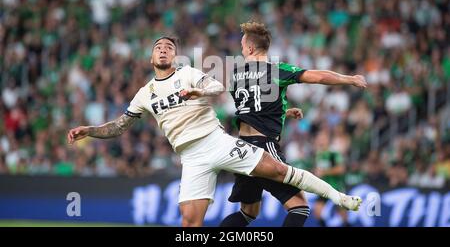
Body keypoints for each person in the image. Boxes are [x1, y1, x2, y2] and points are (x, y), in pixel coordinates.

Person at [67, 36, 362, 227]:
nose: (163, 49)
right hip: (190, 157)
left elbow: (218, 87)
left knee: (278, 170)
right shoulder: (144, 94)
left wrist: (197, 91)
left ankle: (339, 198)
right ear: (151, 58)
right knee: (189, 223)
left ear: (176, 56)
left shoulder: (188, 73)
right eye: (158, 47)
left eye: (169, 47)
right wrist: (90, 130)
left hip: (216, 141)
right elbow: (120, 125)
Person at [220, 22, 368, 227]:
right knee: (300, 207)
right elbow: (317, 77)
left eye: (243, 46)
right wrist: (349, 79)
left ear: (251, 48)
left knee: (248, 213)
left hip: (241, 147)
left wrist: (284, 112)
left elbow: (251, 107)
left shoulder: (236, 75)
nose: (242, 50)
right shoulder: (275, 70)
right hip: (263, 146)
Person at [313, 130, 349, 227]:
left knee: (342, 215)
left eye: (323, 138)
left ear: (328, 140)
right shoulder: (319, 154)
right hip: (323, 188)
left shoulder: (333, 153)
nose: (320, 140)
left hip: (336, 186)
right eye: (319, 138)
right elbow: (318, 170)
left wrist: (324, 172)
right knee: (317, 211)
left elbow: (341, 169)